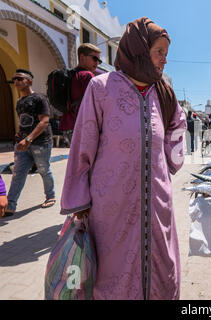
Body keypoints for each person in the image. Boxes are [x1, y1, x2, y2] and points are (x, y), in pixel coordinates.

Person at [59, 17, 186, 300]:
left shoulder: (163, 92)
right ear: (139, 49)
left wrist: (165, 161)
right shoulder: (101, 88)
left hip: (157, 201)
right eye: (159, 52)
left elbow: (179, 125)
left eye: (167, 53)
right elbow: (83, 143)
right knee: (111, 272)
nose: (165, 60)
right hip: (111, 206)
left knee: (159, 264)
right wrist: (79, 200)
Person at [4, 69, 56, 217]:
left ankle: (50, 196)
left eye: (20, 79)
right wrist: (20, 135)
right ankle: (10, 204)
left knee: (44, 170)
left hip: (41, 143)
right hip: (23, 145)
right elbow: (23, 121)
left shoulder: (40, 98)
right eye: (14, 79)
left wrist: (28, 139)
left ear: (30, 81)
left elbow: (44, 121)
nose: (16, 82)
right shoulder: (20, 102)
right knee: (18, 174)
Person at [59, 43, 101, 146]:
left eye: (99, 61)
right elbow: (94, 103)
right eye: (94, 59)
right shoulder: (87, 75)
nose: (97, 63)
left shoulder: (70, 74)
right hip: (81, 125)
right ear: (82, 57)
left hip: (67, 125)